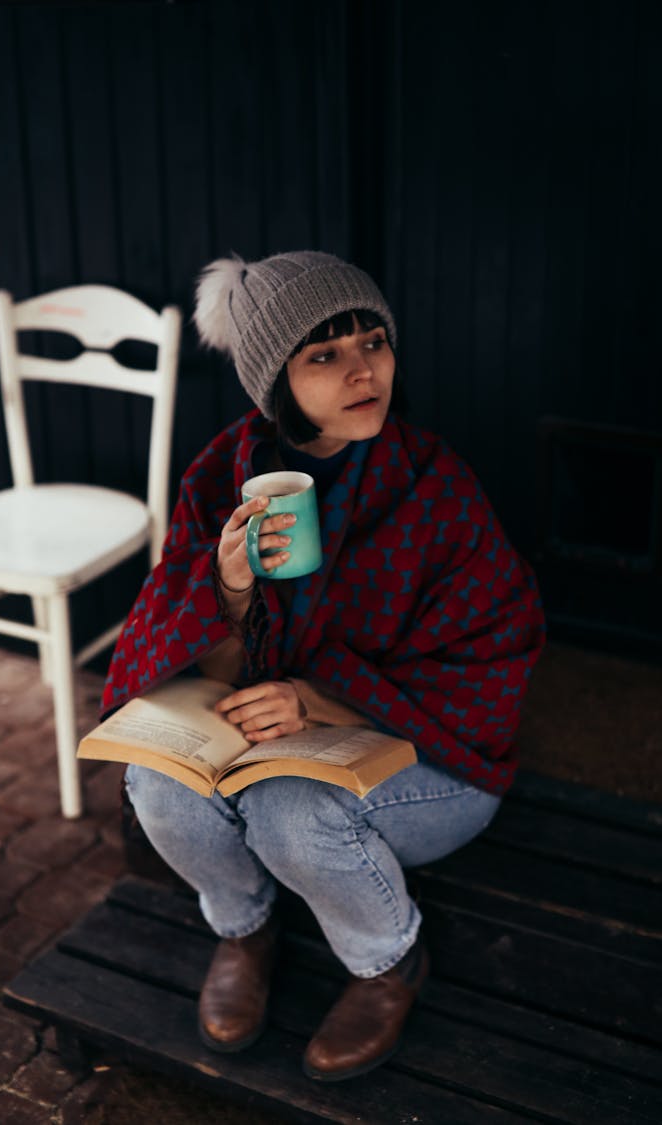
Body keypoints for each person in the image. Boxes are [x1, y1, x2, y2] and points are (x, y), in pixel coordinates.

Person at [103, 251, 545, 1081]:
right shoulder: (222, 474)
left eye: (373, 341)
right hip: (268, 744)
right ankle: (246, 925)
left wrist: (322, 697)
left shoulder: (433, 487)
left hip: (438, 764)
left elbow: (496, 657)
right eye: (325, 353)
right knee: (156, 783)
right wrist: (228, 590)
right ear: (274, 378)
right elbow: (160, 643)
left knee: (289, 810)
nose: (362, 367)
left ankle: (387, 959)